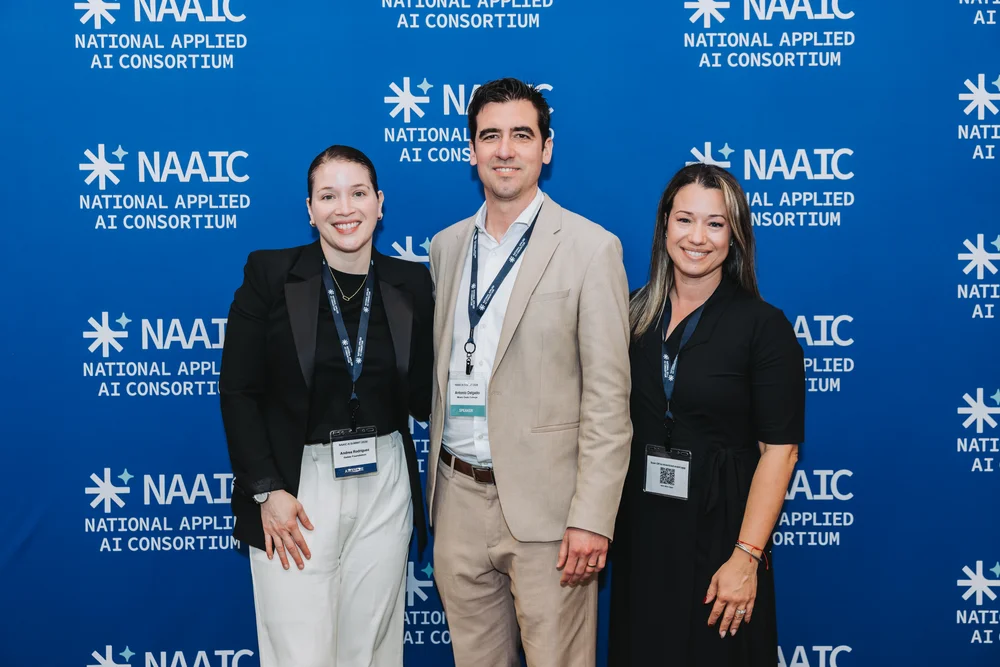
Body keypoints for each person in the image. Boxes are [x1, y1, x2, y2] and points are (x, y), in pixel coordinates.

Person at [426, 77, 632, 667]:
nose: (505, 150)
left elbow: (607, 400)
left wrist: (592, 518)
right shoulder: (445, 248)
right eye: (490, 136)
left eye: (521, 134)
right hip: (458, 502)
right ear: (471, 150)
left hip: (550, 515)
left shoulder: (592, 248)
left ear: (546, 147)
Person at [219, 145, 433, 667]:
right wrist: (268, 491)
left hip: (384, 483)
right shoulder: (270, 275)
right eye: (329, 195)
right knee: (301, 652)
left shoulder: (412, 283)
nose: (345, 208)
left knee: (372, 649)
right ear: (310, 209)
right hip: (296, 489)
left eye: (358, 193)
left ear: (380, 204)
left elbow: (426, 394)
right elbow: (238, 391)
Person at [608, 163, 805, 666]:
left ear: (735, 236)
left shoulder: (765, 328)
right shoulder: (630, 316)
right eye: (685, 220)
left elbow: (779, 454)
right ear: (664, 227)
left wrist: (747, 558)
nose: (697, 238)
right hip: (644, 533)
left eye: (715, 224)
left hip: (723, 538)